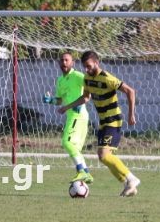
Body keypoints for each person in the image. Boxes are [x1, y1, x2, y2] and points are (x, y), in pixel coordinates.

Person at [59, 50, 140, 197]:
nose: (86, 69)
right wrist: (67, 107)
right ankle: (127, 183)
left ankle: (131, 178)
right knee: (102, 156)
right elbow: (85, 98)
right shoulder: (87, 79)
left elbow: (130, 91)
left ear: (97, 63)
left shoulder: (107, 78)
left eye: (89, 66)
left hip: (113, 120)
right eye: (85, 67)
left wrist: (131, 114)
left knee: (104, 155)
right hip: (103, 122)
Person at [44, 51, 93, 184]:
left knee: (67, 142)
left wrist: (69, 106)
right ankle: (87, 174)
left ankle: (81, 171)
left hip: (79, 114)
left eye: (67, 60)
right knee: (74, 147)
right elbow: (60, 100)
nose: (64, 62)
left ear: (73, 63)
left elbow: (88, 95)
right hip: (72, 116)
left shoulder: (78, 76)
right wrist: (50, 100)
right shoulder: (60, 80)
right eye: (62, 60)